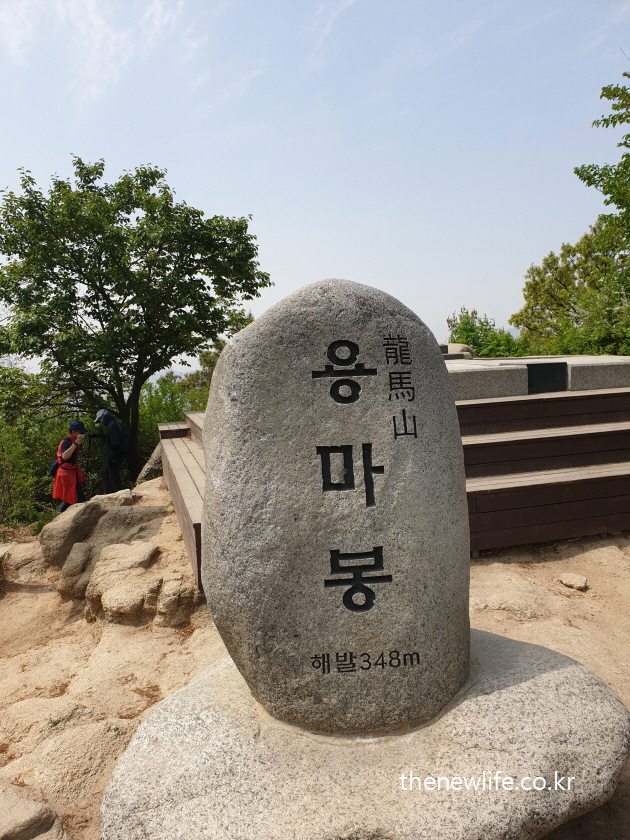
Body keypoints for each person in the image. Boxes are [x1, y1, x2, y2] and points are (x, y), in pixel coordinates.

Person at [52, 420, 87, 512]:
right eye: (80, 432)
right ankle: (58, 515)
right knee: (69, 498)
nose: (82, 434)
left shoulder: (73, 440)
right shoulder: (67, 441)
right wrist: (76, 444)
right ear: (73, 432)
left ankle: (61, 515)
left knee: (78, 496)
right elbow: (64, 456)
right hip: (65, 473)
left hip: (71, 471)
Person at [92, 409, 128, 493]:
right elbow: (110, 437)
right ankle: (112, 494)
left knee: (113, 478)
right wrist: (96, 436)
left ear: (105, 417)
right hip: (118, 454)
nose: (100, 422)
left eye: (100, 419)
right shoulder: (115, 424)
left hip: (115, 456)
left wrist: (112, 457)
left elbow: (115, 443)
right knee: (108, 475)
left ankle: (117, 496)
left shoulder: (112, 426)